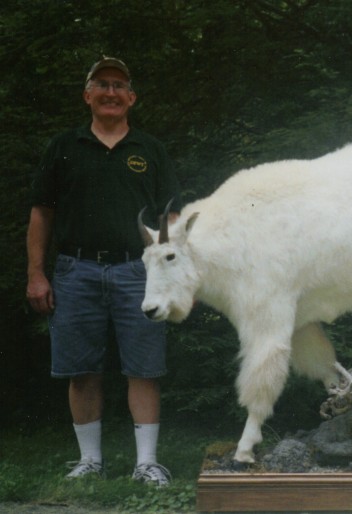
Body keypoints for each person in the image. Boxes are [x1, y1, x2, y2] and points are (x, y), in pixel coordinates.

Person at [26, 57, 181, 487]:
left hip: (139, 272)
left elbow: (174, 220)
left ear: (131, 97)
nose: (110, 93)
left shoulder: (150, 150)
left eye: (119, 85)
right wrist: (36, 274)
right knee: (81, 369)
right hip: (76, 270)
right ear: (88, 95)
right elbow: (41, 214)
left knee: (145, 367)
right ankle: (89, 462)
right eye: (101, 85)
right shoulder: (63, 146)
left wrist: (173, 277)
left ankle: (146, 464)